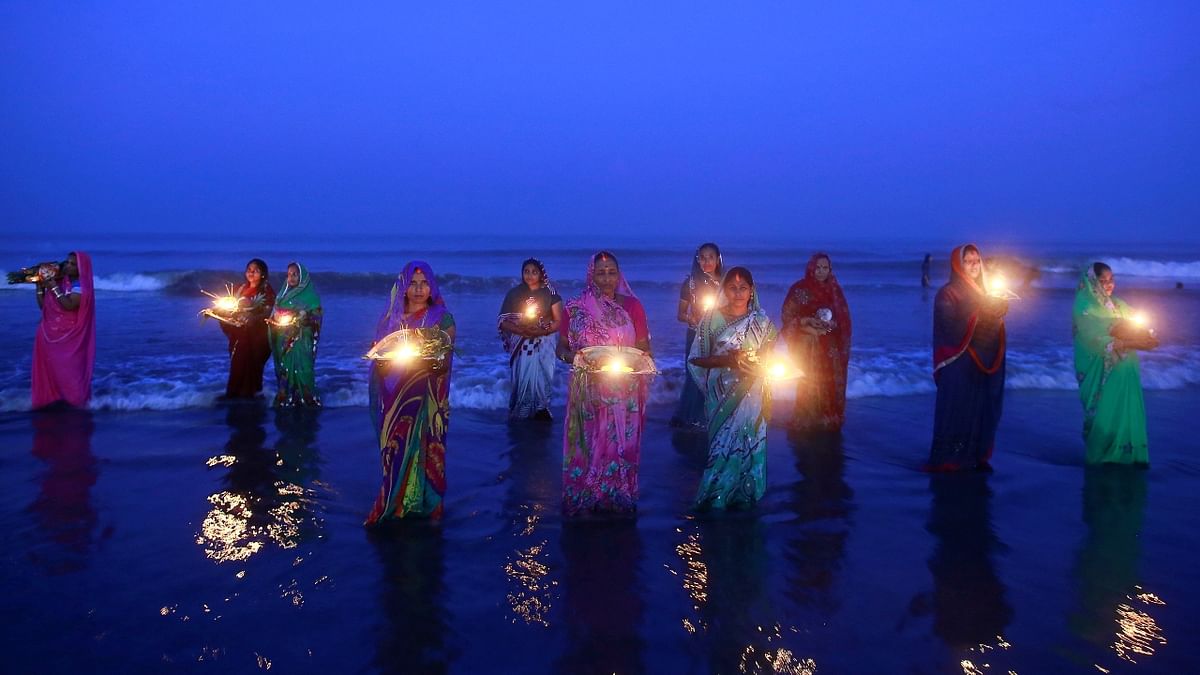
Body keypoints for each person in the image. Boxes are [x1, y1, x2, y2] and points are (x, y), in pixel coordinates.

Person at [556, 251, 651, 515]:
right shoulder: (576, 308)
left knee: (622, 444)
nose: (607, 278)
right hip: (587, 387)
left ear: (619, 275)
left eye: (611, 272)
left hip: (624, 389)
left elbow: (644, 348)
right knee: (590, 440)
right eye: (600, 272)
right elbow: (561, 348)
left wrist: (633, 360)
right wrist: (577, 358)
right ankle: (586, 492)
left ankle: (619, 492)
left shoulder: (633, 306)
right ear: (591, 275)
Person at [367, 261, 456, 524]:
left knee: (427, 445)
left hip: (427, 396)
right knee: (395, 446)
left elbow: (446, 351)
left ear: (432, 286)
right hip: (395, 397)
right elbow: (380, 354)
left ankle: (428, 504)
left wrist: (430, 355)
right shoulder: (390, 321)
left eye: (424, 283)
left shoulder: (442, 317)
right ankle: (395, 500)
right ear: (403, 287)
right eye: (413, 283)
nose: (418, 289)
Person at [687, 267, 778, 509]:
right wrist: (728, 361)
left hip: (753, 395)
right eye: (732, 288)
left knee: (750, 441)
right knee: (720, 446)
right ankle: (715, 495)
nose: (738, 293)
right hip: (720, 396)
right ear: (724, 290)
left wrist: (758, 367)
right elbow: (695, 359)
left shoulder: (763, 324)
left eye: (743, 288)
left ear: (751, 291)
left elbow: (767, 360)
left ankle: (745, 493)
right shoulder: (711, 321)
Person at [926, 244, 1008, 472]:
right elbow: (948, 326)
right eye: (968, 260)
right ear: (957, 265)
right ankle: (950, 458)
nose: (973, 265)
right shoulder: (947, 293)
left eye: (976, 260)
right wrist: (979, 315)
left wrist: (997, 314)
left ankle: (976, 453)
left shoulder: (986, 292)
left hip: (983, 362)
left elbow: (991, 329)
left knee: (980, 407)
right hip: (959, 364)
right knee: (958, 407)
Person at [1072, 263, 1157, 465]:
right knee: (1103, 413)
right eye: (1103, 281)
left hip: (1125, 368)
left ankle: (1128, 455)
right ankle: (1101, 457)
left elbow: (1138, 325)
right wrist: (1126, 341)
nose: (1109, 284)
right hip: (1101, 372)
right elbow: (1091, 339)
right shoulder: (1084, 308)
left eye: (1111, 280)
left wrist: (1147, 335)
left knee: (1126, 411)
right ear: (1092, 283)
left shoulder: (1118, 305)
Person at [780, 253, 852, 433]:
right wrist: (806, 322)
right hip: (808, 343)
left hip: (829, 345)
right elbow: (787, 317)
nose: (821, 272)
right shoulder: (799, 289)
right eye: (818, 268)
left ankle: (828, 416)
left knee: (829, 379)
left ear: (830, 269)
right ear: (811, 268)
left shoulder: (834, 290)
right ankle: (808, 418)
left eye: (825, 268)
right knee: (809, 380)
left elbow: (843, 318)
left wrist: (832, 324)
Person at [497, 258, 563, 420]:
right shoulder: (514, 294)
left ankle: (542, 408)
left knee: (543, 374)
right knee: (523, 374)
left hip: (544, 343)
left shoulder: (550, 293)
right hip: (522, 343)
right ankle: (522, 409)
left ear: (541, 274)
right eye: (526, 271)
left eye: (534, 272)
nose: (530, 275)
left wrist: (542, 331)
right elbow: (502, 321)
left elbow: (558, 321)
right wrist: (521, 330)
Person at [32, 251, 96, 409]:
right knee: (50, 370)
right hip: (49, 334)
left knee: (70, 371)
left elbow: (68, 305)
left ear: (82, 268)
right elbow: (44, 307)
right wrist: (40, 287)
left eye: (73, 264)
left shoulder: (81, 287)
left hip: (71, 337)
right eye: (67, 262)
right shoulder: (62, 282)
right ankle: (49, 400)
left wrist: (53, 287)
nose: (68, 266)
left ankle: (77, 403)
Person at [671, 243, 723, 430]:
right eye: (702, 257)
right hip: (696, 336)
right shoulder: (690, 284)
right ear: (697, 259)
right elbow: (680, 314)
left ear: (718, 259)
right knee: (695, 374)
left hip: (719, 337)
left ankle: (714, 415)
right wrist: (690, 318)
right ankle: (691, 416)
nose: (706, 261)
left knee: (716, 374)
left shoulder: (727, 283)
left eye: (711, 257)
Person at [219, 259, 276, 399]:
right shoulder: (240, 288)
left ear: (263, 274)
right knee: (237, 362)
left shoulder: (266, 291)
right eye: (249, 269)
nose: (251, 272)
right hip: (239, 333)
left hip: (257, 335)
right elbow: (230, 306)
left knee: (252, 363)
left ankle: (251, 393)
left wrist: (253, 319)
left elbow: (269, 311)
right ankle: (233, 392)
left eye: (256, 270)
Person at [269, 262, 323, 407]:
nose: (291, 278)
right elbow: (275, 314)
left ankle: (306, 397)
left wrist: (304, 318)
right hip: (284, 339)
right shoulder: (282, 295)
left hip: (302, 339)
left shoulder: (311, 297)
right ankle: (286, 396)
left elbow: (317, 317)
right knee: (285, 366)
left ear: (303, 276)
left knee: (303, 367)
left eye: (294, 274)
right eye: (288, 274)